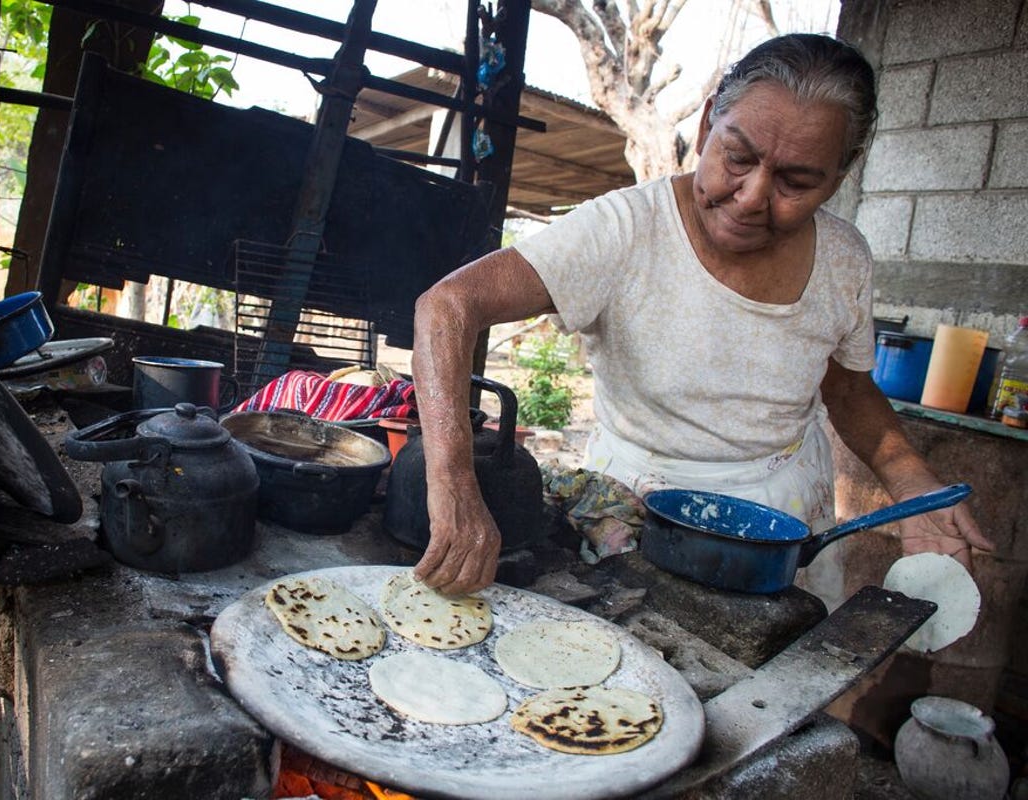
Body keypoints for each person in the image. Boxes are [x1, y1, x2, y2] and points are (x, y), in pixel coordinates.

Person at [409, 33, 993, 596]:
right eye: (738, 157)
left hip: (782, 518)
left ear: (841, 174)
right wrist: (454, 482)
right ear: (708, 119)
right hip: (635, 507)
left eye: (796, 180)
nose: (752, 196)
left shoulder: (843, 258)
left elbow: (845, 389)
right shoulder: (624, 230)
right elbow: (448, 306)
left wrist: (915, 484)